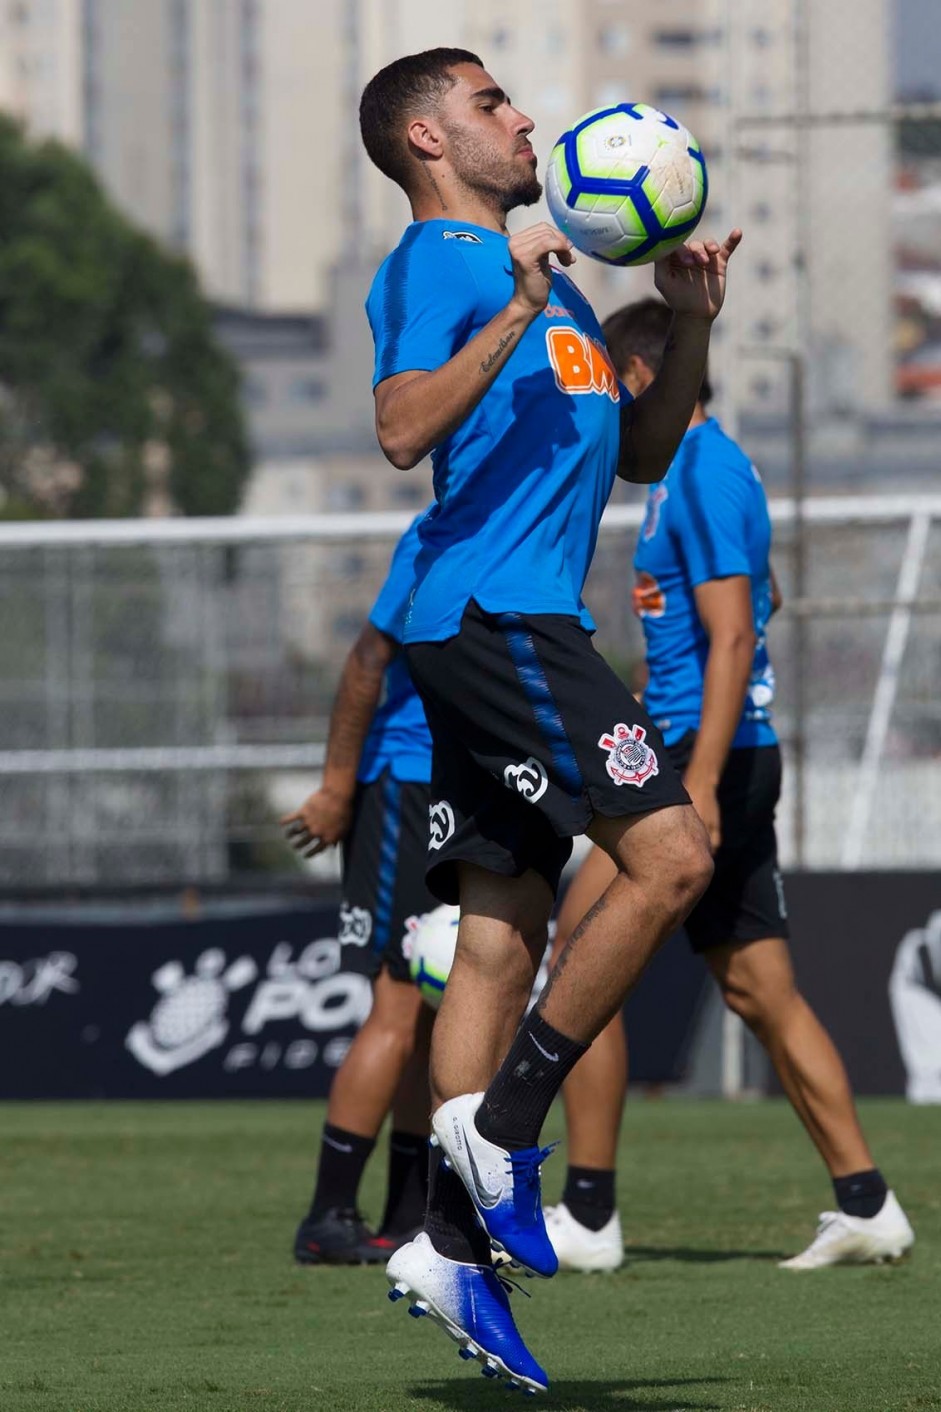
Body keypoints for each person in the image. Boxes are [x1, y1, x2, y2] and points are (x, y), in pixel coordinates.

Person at [359, 48, 740, 1393]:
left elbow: (639, 455)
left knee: (499, 942)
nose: (523, 117)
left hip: (500, 627)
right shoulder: (445, 268)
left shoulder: (549, 277)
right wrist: (516, 313)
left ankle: (445, 1252)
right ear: (425, 139)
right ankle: (504, 1132)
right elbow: (401, 427)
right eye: (488, 103)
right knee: (676, 856)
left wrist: (687, 323)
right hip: (498, 621)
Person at [544, 297, 915, 1275]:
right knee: (760, 988)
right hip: (726, 746)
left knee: (581, 956)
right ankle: (865, 1201)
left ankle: (584, 1213)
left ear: (634, 377)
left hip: (702, 761)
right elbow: (761, 597)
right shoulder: (708, 470)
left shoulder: (698, 470)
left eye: (601, 380)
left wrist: (696, 778)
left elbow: (739, 630)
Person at [283, 517, 438, 1265]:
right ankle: (326, 1216)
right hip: (401, 788)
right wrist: (337, 788)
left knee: (436, 1013)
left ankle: (408, 1214)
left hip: (461, 794)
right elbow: (366, 660)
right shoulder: (435, 534)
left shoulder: (515, 532)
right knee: (399, 1007)